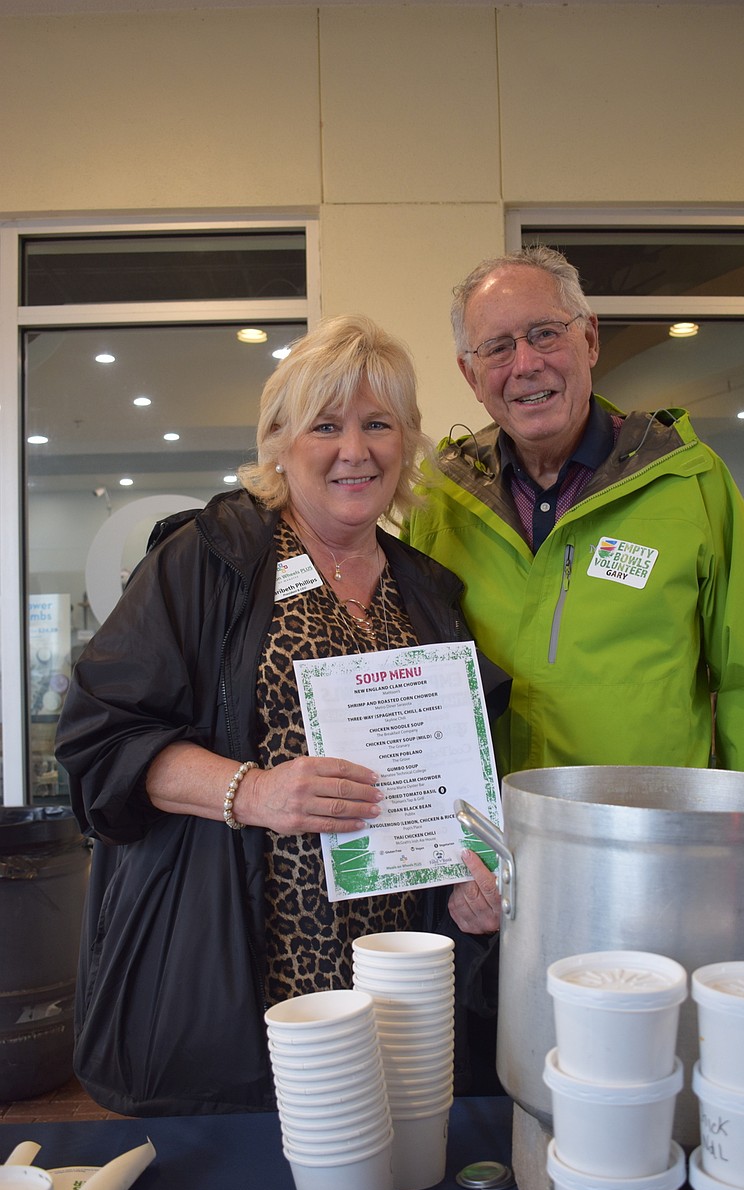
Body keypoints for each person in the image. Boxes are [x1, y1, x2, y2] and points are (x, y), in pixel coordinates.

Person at [55, 314, 507, 1116]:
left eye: (378, 424)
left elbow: (460, 771)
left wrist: (481, 871)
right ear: (278, 440)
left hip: (397, 972)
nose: (354, 449)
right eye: (325, 425)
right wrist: (253, 790)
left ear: (405, 441)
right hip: (247, 972)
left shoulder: (427, 590)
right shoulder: (210, 559)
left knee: (389, 1180)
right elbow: (101, 738)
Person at [404, 246, 744, 820]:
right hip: (488, 851)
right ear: (470, 373)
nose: (526, 365)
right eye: (497, 348)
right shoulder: (438, 499)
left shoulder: (689, 480)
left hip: (651, 845)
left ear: (589, 339)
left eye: (544, 334)